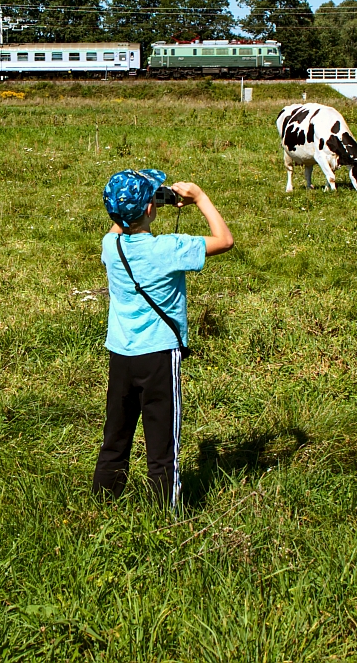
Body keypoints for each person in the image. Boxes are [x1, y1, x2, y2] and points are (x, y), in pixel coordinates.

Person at [93, 169, 233, 507]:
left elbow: (120, 224)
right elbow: (225, 240)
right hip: (158, 358)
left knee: (115, 437)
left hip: (121, 356)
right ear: (150, 209)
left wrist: (135, 209)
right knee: (162, 446)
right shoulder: (169, 248)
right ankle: (163, 515)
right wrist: (200, 198)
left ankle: (101, 506)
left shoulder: (110, 247)